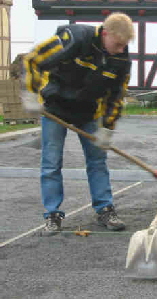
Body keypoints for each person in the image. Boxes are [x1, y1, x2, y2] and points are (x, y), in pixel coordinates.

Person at [22, 12, 134, 235]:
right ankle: (52, 215)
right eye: (118, 43)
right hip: (55, 107)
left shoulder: (121, 60)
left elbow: (116, 96)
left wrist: (107, 128)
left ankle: (105, 209)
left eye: (125, 45)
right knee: (51, 162)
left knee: (97, 160)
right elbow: (33, 59)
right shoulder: (73, 38)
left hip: (88, 112)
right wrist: (32, 93)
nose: (121, 49)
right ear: (105, 33)